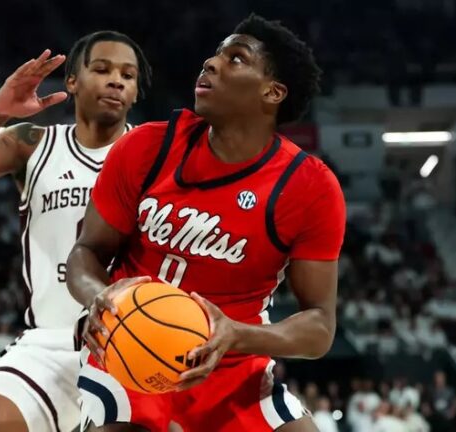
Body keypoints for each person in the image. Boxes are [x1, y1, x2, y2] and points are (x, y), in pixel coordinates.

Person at [68, 14, 343, 432]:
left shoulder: (309, 186)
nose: (211, 64)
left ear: (273, 92)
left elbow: (320, 325)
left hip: (232, 361)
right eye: (215, 54)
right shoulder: (146, 147)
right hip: (133, 343)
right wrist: (99, 298)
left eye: (235, 59)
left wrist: (237, 334)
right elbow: (86, 252)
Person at [0, 30, 151, 432]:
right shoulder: (32, 144)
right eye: (102, 69)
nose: (117, 80)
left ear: (134, 94)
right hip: (51, 341)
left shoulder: (153, 156)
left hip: (133, 340)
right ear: (72, 81)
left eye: (128, 76)